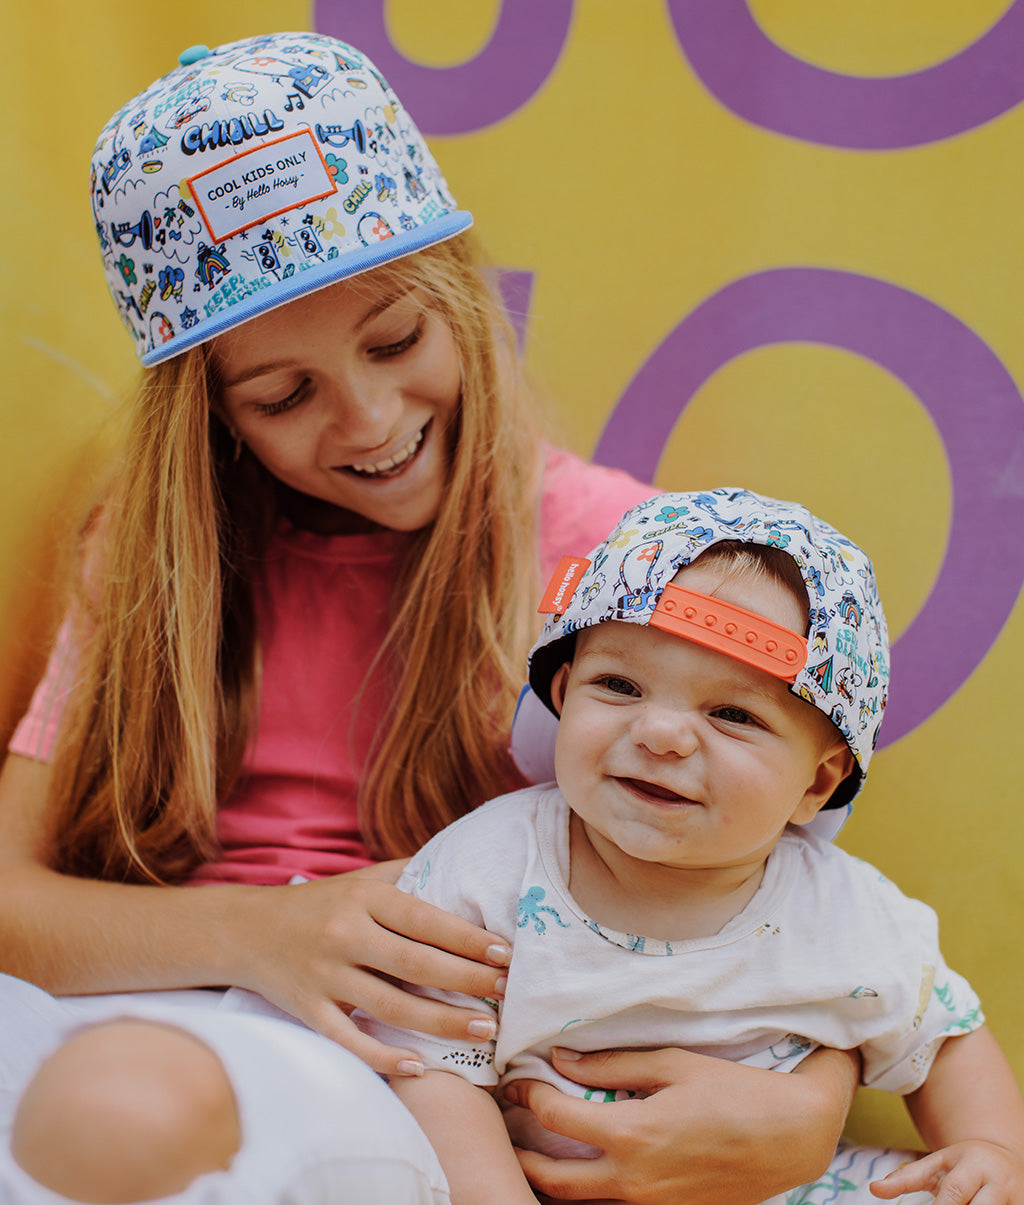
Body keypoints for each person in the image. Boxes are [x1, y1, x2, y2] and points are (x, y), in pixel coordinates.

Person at [0, 31, 862, 1205]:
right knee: (104, 1104)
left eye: (396, 339)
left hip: (392, 1066)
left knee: (126, 1117)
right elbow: (13, 899)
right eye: (283, 393)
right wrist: (258, 933)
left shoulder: (626, 557)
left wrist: (808, 1105)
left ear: (461, 293)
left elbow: (796, 898)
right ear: (214, 421)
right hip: (120, 1012)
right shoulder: (147, 554)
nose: (366, 419)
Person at [359, 487, 1024, 1205]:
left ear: (817, 781)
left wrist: (992, 1149)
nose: (661, 734)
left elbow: (946, 1036)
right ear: (562, 689)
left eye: (733, 713)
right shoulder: (486, 870)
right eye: (619, 684)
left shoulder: (847, 912)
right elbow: (430, 1064)